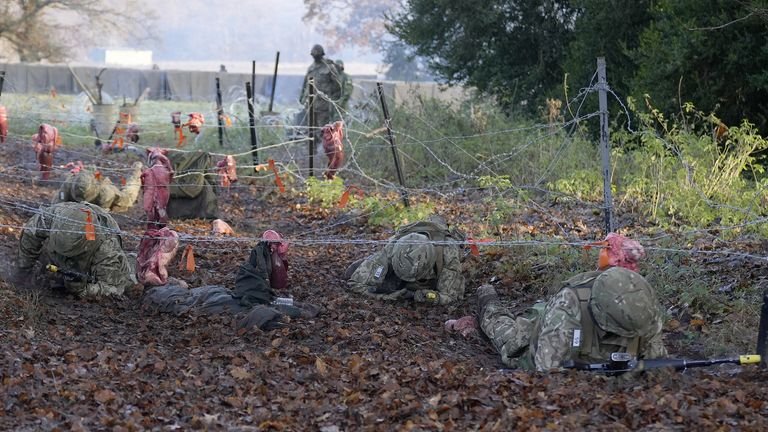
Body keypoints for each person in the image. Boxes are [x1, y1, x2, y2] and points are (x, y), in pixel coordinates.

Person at [477, 233, 667, 372]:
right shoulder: (569, 305)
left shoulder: (643, 306)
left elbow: (657, 362)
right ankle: (486, 293)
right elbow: (547, 371)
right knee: (500, 327)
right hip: (537, 341)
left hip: (568, 327)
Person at [142, 230, 320, 331]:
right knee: (253, 304)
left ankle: (263, 256)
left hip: (220, 297)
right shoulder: (164, 294)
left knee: (252, 300)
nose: (181, 281)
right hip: (216, 300)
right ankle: (263, 256)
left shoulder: (175, 292)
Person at [13, 202, 137, 297]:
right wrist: (24, 267)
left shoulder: (107, 248)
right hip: (67, 236)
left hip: (96, 256)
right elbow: (30, 235)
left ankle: (134, 261)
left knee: (128, 277)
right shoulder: (52, 215)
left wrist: (84, 290)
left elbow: (114, 287)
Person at [345, 216, 466, 305]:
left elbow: (451, 295)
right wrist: (388, 297)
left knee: (467, 272)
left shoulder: (448, 252)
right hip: (395, 270)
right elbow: (356, 284)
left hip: (436, 272)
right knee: (354, 272)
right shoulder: (393, 245)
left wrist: (430, 297)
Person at [53, 161, 143, 213]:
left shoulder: (106, 193)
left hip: (105, 193)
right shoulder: (70, 182)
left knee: (128, 198)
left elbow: (101, 218)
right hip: (93, 180)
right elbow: (56, 206)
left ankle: (136, 173)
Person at [299, 44, 342, 144]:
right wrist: (302, 98)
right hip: (310, 104)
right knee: (310, 129)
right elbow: (305, 85)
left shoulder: (329, 67)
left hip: (323, 105)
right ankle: (312, 152)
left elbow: (337, 85)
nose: (315, 56)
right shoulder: (311, 68)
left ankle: (325, 150)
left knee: (324, 129)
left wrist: (333, 99)